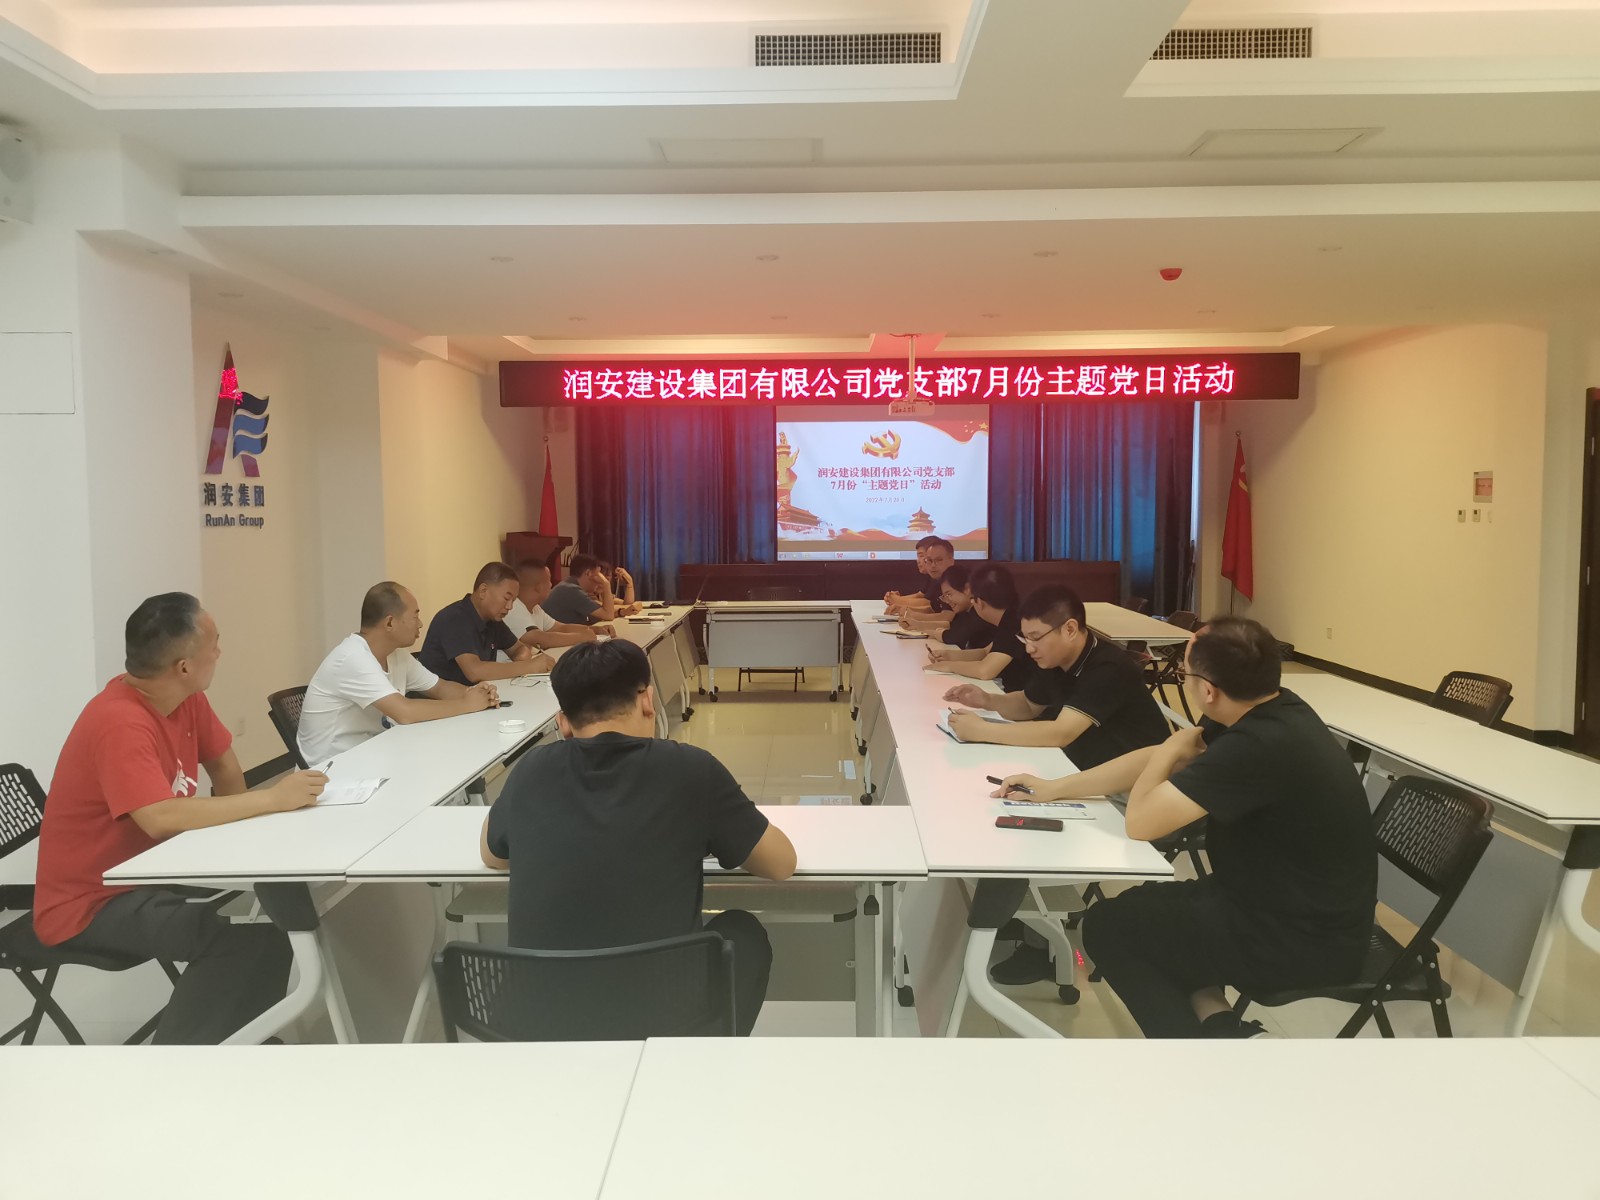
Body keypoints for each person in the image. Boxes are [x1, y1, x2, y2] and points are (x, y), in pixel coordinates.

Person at [1001, 617, 1377, 1039]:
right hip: (1272, 900)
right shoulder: (1265, 708)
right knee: (1140, 912)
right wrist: (1055, 788)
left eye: (1185, 674)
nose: (1185, 680)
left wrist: (1170, 749)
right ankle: (1224, 1029)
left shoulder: (1257, 745)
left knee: (1109, 929)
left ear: (1208, 691)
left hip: (1300, 937)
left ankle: (1193, 1057)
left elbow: (1140, 822)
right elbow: (1154, 758)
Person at [32, 592, 329, 1043]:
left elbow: (223, 764)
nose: (220, 651)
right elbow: (158, 817)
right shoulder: (118, 721)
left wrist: (246, 834)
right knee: (235, 942)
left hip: (147, 872)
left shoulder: (182, 697)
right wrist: (270, 800)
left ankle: (237, 1042)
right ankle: (178, 1063)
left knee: (272, 934)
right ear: (184, 666)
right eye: (214, 642)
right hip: (89, 903)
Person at [479, 640, 797, 1035]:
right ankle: (706, 1055)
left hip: (533, 1023)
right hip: (664, 1018)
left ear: (562, 723)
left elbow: (492, 854)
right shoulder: (690, 769)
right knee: (743, 931)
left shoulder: (531, 769)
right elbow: (781, 865)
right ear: (648, 700)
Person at [943, 584, 1168, 764]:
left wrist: (983, 730)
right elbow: (1028, 705)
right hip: (1081, 765)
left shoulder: (1108, 667)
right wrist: (988, 700)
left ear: (1070, 629)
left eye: (1035, 638)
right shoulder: (1054, 659)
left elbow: (1061, 733)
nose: (1029, 648)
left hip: (1136, 783)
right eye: (1025, 638)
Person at [298, 581, 500, 765]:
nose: (420, 624)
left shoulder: (397, 655)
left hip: (370, 752)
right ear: (389, 623)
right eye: (415, 616)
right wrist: (467, 704)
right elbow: (405, 712)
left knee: (445, 754)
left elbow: (439, 687)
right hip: (331, 770)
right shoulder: (352, 658)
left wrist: (476, 693)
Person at [417, 562, 555, 686]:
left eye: (513, 601)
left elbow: (519, 649)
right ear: (483, 591)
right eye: (506, 598)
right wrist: (529, 666)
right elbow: (474, 671)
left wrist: (522, 657)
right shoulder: (454, 618)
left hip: (476, 694)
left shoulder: (492, 619)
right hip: (439, 700)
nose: (510, 607)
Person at [923, 563, 1033, 692]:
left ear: (979, 602)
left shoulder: (1015, 623)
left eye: (972, 599)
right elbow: (985, 652)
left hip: (1020, 697)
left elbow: (985, 671)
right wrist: (948, 655)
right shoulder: (1010, 616)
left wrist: (949, 666)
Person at [506, 561, 611, 650]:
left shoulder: (535, 608)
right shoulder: (513, 607)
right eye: (549, 580)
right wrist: (581, 638)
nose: (551, 585)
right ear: (538, 587)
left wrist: (594, 630)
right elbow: (541, 640)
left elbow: (561, 628)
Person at [543, 553, 634, 625]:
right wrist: (606, 584)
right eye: (598, 573)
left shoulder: (569, 586)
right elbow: (608, 615)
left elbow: (597, 616)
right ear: (588, 573)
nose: (601, 578)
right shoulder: (571, 590)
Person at [885, 536, 953, 617]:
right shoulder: (935, 577)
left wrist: (897, 600)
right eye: (929, 560)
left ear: (951, 561)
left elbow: (945, 616)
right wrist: (903, 607)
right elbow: (931, 606)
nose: (933, 565)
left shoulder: (952, 580)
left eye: (938, 560)